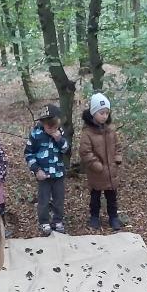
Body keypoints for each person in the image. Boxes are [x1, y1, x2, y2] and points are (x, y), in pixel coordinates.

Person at [78, 92, 123, 231]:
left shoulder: (111, 130)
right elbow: (85, 152)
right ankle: (94, 217)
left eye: (107, 113)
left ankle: (113, 217)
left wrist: (117, 158)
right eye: (101, 113)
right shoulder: (87, 133)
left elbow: (118, 146)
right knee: (95, 197)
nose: (104, 116)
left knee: (112, 197)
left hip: (111, 171)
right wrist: (96, 165)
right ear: (93, 113)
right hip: (96, 172)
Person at [24, 103, 70, 235]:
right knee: (43, 200)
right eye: (49, 126)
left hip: (58, 173)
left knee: (59, 199)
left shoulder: (60, 133)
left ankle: (57, 220)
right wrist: (36, 169)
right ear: (43, 123)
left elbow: (66, 149)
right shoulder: (36, 134)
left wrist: (59, 139)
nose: (52, 129)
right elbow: (28, 153)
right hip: (43, 174)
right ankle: (44, 222)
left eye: (55, 126)